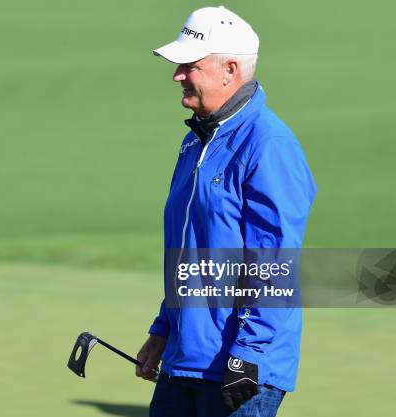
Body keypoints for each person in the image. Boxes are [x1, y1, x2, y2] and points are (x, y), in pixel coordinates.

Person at [135, 6, 317, 417]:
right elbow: (192, 251)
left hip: (240, 366)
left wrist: (249, 353)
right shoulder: (197, 142)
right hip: (186, 357)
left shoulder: (268, 144)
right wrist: (164, 328)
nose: (178, 75)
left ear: (229, 70)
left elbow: (274, 261)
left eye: (189, 65)